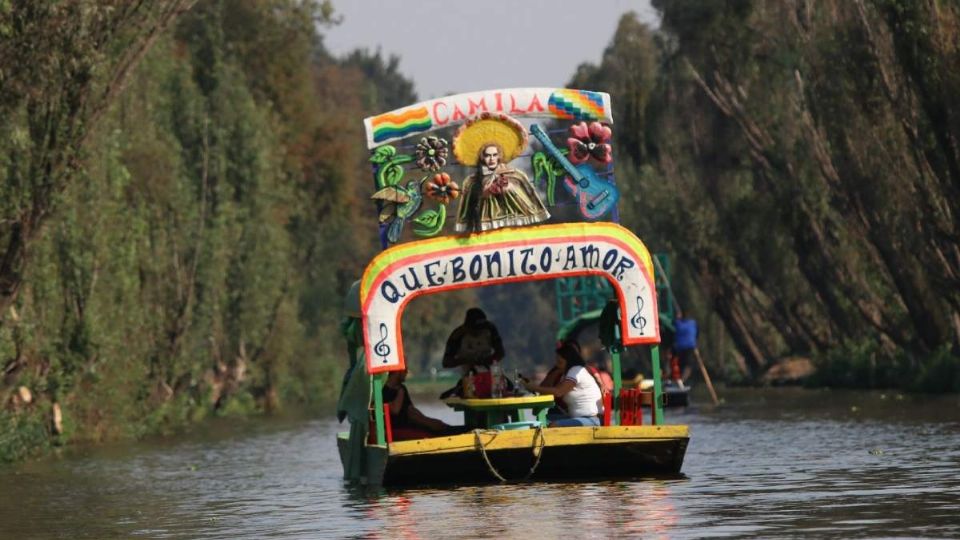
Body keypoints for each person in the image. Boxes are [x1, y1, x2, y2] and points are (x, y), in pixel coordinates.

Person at [452, 113, 550, 233]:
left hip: (514, 228)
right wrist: (484, 192)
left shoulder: (515, 175)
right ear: (482, 157)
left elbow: (529, 200)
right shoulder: (471, 181)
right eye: (487, 155)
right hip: (484, 230)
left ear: (499, 156)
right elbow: (468, 209)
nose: (491, 159)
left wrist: (508, 188)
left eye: (494, 155)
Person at [522, 341, 603, 427]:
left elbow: (558, 391)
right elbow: (548, 390)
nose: (557, 365)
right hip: (577, 417)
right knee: (544, 421)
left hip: (591, 420)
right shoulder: (567, 373)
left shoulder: (575, 370)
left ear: (569, 361)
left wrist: (534, 387)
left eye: (560, 362)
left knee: (554, 425)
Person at [383, 368, 465, 440]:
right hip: (400, 427)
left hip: (411, 424)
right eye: (405, 369)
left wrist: (427, 420)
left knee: (441, 426)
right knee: (436, 430)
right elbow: (395, 410)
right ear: (397, 371)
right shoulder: (385, 390)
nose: (407, 372)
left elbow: (411, 409)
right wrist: (427, 422)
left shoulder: (401, 387)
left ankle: (465, 432)